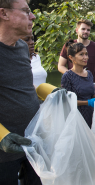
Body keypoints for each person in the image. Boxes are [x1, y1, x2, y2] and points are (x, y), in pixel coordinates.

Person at [0, 0, 42, 184]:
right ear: (4, 13)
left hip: (33, 142)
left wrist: (50, 91)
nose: (32, 16)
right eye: (26, 11)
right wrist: (1, 135)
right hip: (5, 153)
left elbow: (26, 85)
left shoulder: (23, 47)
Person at [61, 40, 95, 128]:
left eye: (86, 54)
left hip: (91, 114)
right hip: (76, 117)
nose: (86, 57)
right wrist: (87, 102)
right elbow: (68, 102)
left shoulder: (89, 74)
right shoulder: (67, 76)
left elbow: (91, 93)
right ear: (71, 57)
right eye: (81, 54)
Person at [58, 19, 95, 91]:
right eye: (83, 29)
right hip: (72, 86)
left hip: (90, 88)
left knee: (92, 102)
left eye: (88, 30)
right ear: (77, 30)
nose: (86, 31)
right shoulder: (70, 46)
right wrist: (73, 76)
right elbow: (60, 66)